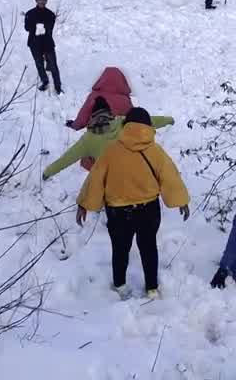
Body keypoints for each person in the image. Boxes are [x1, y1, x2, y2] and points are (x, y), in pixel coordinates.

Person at [77, 107, 190, 299]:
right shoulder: (155, 152)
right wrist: (181, 201)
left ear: (125, 125)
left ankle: (120, 285)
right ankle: (152, 288)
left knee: (120, 250)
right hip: (148, 211)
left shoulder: (111, 152)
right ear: (148, 126)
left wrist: (84, 204)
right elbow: (170, 176)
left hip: (118, 213)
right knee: (148, 248)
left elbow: (95, 178)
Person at [44, 97, 175, 178]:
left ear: (92, 116)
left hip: (110, 179)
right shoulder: (124, 122)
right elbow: (151, 120)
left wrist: (48, 172)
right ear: (110, 112)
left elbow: (67, 158)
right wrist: (169, 120)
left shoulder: (88, 139)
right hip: (134, 171)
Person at [24, 0, 62, 93]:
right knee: (39, 64)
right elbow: (27, 28)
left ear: (46, 1)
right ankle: (45, 81)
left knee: (53, 65)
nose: (42, 1)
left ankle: (58, 86)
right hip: (34, 43)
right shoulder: (29, 14)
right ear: (36, 0)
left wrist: (44, 28)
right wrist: (35, 26)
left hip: (47, 43)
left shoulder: (50, 14)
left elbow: (50, 29)